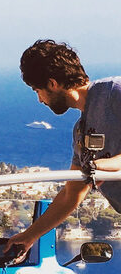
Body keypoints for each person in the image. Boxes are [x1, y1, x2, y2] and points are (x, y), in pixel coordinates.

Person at [7, 39, 121, 258]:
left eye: (37, 90)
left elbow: (100, 168)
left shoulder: (113, 92)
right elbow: (71, 195)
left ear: (52, 84)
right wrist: (30, 235)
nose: (40, 100)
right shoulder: (81, 131)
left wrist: (107, 165)